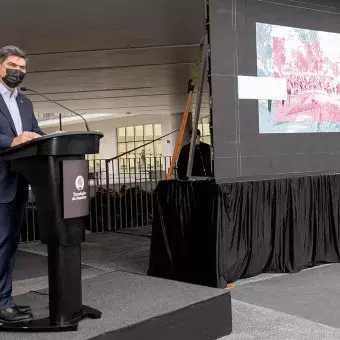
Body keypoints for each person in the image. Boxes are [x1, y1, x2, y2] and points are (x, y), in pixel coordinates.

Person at [0, 46, 44, 323]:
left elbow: (35, 131)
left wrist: (46, 138)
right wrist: (11, 141)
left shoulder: (25, 102)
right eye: (13, 65)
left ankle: (5, 300)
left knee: (11, 244)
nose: (18, 71)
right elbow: (11, 139)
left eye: (23, 67)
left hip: (18, 182)